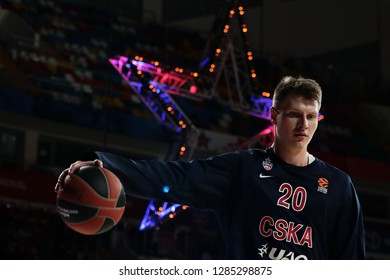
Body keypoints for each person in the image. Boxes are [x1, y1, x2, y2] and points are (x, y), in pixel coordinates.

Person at [55, 76, 366, 260]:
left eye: (311, 116)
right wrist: (103, 163)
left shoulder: (338, 186)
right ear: (274, 116)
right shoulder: (244, 168)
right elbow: (174, 178)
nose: (304, 125)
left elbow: (351, 264)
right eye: (294, 114)